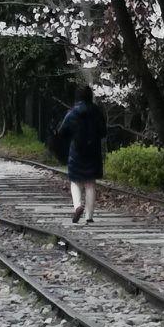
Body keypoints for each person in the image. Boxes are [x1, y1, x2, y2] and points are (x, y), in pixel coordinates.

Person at [50, 84, 107, 224]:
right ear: (91, 96)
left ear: (77, 97)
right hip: (93, 151)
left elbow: (62, 132)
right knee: (90, 184)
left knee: (75, 181)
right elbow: (103, 132)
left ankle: (77, 206)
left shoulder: (72, 113)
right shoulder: (97, 111)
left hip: (76, 151)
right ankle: (89, 216)